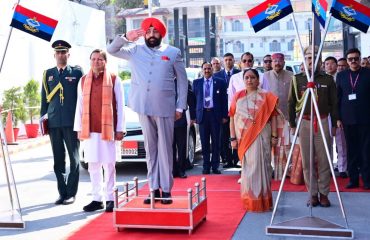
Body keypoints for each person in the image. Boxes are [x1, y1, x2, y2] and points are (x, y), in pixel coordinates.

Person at [107, 17, 187, 204]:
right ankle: (153, 188)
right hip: (143, 106)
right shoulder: (135, 50)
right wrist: (126, 37)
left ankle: (166, 190)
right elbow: (111, 50)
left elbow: (182, 81)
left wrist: (180, 106)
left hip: (166, 107)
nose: (151, 35)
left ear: (161, 34)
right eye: (148, 32)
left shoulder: (172, 52)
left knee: (165, 149)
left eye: (155, 32)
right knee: (151, 149)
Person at [74, 49, 125, 212]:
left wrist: (120, 129)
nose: (96, 62)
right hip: (90, 129)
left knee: (109, 164)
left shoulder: (115, 80)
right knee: (93, 165)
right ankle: (97, 199)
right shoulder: (82, 81)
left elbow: (120, 106)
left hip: (108, 130)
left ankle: (110, 198)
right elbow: (79, 106)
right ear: (90, 61)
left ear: (105, 62)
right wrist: (78, 128)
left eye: (99, 59)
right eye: (93, 59)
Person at [288, 46, 338, 208]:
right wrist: (292, 124)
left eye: (315, 57)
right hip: (304, 122)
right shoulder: (297, 79)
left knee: (324, 160)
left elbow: (334, 103)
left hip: (322, 121)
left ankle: (324, 194)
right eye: (308, 57)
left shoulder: (327, 79)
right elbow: (291, 103)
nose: (311, 60)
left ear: (320, 60)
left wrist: (335, 122)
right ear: (304, 60)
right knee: (308, 161)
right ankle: (313, 194)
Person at [40, 40, 83, 205]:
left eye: (63, 52)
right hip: (54, 122)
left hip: (72, 122)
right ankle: (62, 192)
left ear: (68, 54)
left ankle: (71, 193)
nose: (60, 55)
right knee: (58, 159)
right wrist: (43, 119)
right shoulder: (48, 74)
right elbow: (44, 99)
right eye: (58, 53)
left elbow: (82, 98)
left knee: (74, 158)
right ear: (54, 55)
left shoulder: (77, 73)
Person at [229, 68, 278, 212]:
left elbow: (273, 117)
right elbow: (232, 117)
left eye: (252, 77)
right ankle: (250, 201)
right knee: (248, 170)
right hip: (244, 138)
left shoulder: (267, 96)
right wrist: (232, 138)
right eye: (247, 78)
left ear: (258, 80)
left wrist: (274, 136)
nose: (249, 80)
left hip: (262, 136)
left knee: (263, 167)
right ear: (243, 80)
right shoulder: (238, 96)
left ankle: (263, 200)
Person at [337, 48, 370, 190]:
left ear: (360, 58)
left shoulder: (368, 74)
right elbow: (337, 97)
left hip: (366, 118)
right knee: (351, 150)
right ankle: (354, 180)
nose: (353, 61)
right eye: (350, 59)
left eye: (356, 58)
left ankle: (367, 180)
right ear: (347, 60)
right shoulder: (342, 76)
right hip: (347, 119)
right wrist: (338, 118)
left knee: (366, 151)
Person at [262, 53, 297, 181]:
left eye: (279, 61)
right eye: (274, 61)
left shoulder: (291, 76)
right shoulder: (264, 77)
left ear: (284, 62)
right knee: (270, 144)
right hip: (269, 117)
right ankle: (271, 170)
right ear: (271, 63)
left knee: (285, 145)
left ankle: (287, 171)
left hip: (286, 116)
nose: (277, 63)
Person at [193, 62, 228, 174]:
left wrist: (224, 115)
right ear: (202, 70)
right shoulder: (196, 83)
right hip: (202, 115)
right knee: (204, 142)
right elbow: (193, 101)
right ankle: (206, 166)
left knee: (216, 141)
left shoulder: (220, 82)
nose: (207, 70)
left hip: (215, 115)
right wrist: (194, 117)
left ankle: (215, 166)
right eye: (205, 69)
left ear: (212, 69)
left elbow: (224, 100)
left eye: (209, 68)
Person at [213, 53, 241, 168]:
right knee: (225, 136)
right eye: (226, 60)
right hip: (224, 112)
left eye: (230, 59)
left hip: (237, 111)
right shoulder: (218, 75)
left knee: (237, 135)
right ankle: (227, 159)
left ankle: (237, 159)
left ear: (234, 61)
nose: (228, 62)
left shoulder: (239, 74)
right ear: (223, 62)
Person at [173, 79, 196, 178]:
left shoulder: (184, 82)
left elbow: (191, 99)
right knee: (170, 148)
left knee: (182, 146)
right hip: (167, 121)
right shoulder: (163, 79)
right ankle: (173, 171)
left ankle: (181, 170)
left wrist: (192, 117)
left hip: (180, 119)